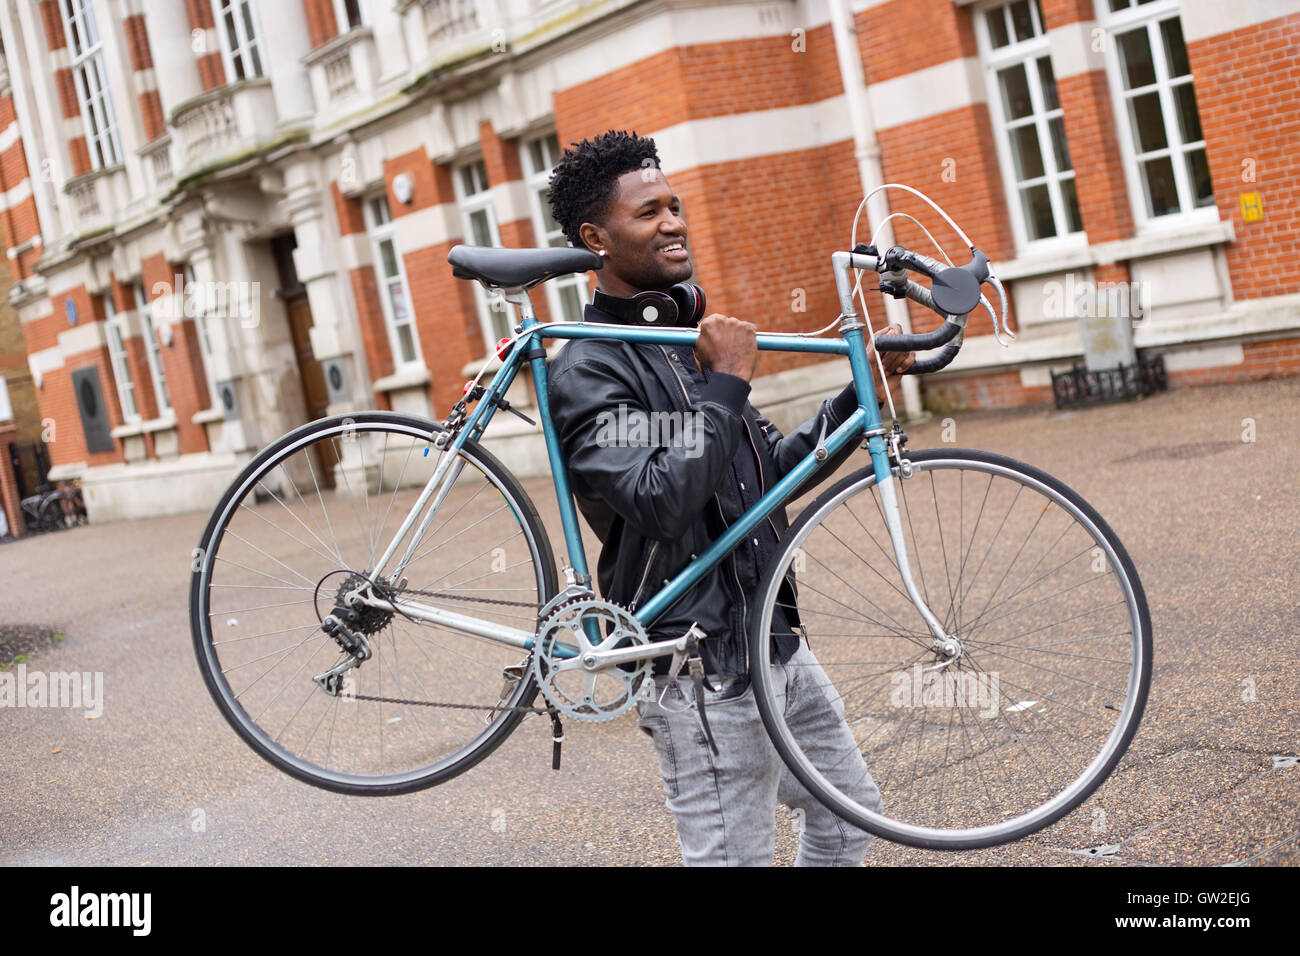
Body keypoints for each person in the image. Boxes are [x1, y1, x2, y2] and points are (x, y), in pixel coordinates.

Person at [545, 130, 915, 866]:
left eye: (675, 206)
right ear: (596, 238)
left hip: (773, 640)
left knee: (849, 820)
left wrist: (862, 394)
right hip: (697, 666)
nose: (674, 222)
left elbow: (770, 471)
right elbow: (658, 499)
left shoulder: (688, 344)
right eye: (649, 212)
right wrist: (728, 384)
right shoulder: (586, 368)